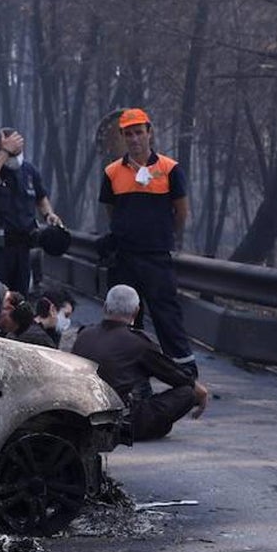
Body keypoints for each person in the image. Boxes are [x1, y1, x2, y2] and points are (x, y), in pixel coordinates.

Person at [99, 108, 198, 379]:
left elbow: (182, 212)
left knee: (166, 313)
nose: (134, 139)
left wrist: (163, 236)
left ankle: (184, 368)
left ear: (149, 132)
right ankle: (130, 371)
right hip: (124, 256)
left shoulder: (169, 169)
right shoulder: (111, 173)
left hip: (156, 256)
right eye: (128, 134)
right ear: (122, 136)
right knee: (126, 318)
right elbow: (112, 210)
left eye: (139, 132)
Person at [72, 284, 208, 441]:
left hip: (81, 414)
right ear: (136, 311)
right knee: (186, 393)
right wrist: (200, 392)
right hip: (118, 420)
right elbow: (174, 375)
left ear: (105, 307)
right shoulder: (137, 343)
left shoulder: (84, 334)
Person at [0, 127, 63, 294]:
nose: (14, 157)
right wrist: (4, 153)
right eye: (10, 152)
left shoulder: (29, 171)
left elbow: (41, 198)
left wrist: (48, 214)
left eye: (17, 152)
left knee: (20, 298)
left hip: (23, 248)